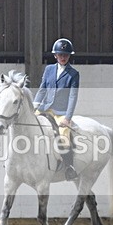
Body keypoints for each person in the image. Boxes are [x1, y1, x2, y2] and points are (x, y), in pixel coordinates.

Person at [33, 38, 80, 181]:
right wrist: (34, 106)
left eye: (66, 55)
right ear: (55, 56)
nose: (63, 57)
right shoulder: (49, 69)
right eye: (60, 55)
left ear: (69, 56)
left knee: (64, 136)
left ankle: (69, 166)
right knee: (29, 124)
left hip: (61, 112)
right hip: (46, 108)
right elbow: (42, 89)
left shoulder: (74, 74)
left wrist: (68, 118)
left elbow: (73, 97)